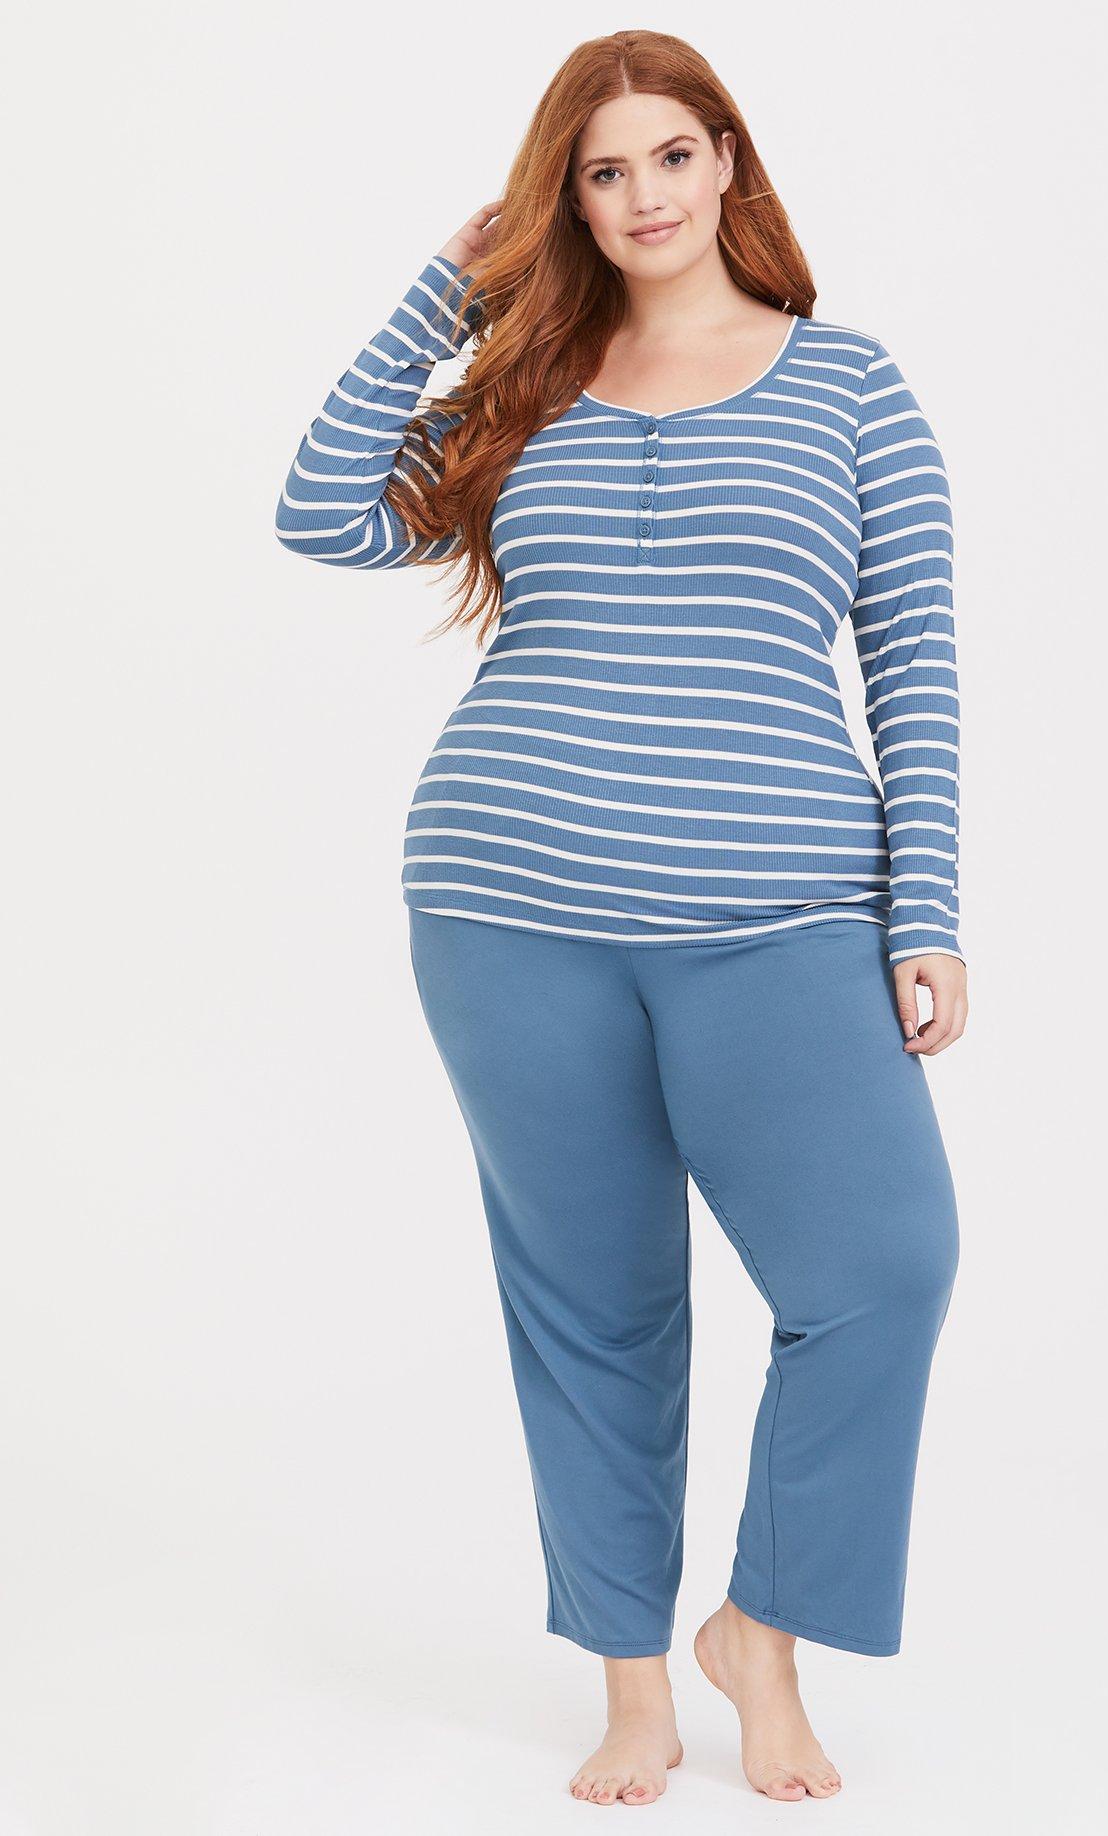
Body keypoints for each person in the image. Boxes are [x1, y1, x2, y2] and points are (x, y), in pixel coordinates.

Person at [274, 27, 967, 1808]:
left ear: (728, 160)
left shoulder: (850, 386)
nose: (643, 194)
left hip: (779, 915)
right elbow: (319, 512)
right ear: (565, 201)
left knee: (883, 1271)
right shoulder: (528, 387)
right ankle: (635, 1687)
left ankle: (765, 1636)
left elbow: (913, 658)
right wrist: (451, 290)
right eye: (602, 171)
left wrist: (929, 909)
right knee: (592, 1308)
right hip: (507, 908)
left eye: (671, 154)